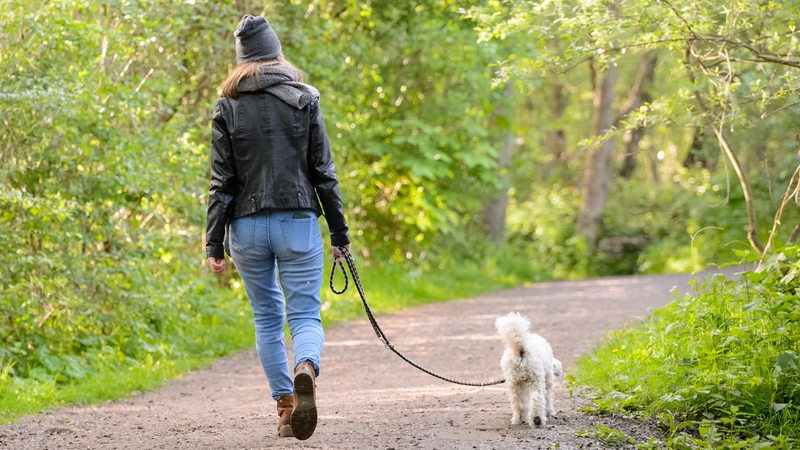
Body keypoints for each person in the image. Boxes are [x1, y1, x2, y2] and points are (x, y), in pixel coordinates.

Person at [205, 14, 350, 441]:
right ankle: (305, 365)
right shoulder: (304, 99)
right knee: (304, 312)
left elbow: (221, 182)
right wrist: (340, 233)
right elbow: (324, 172)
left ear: (241, 60)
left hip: (245, 228)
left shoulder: (226, 106)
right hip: (297, 221)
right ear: (276, 53)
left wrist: (214, 241)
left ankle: (286, 409)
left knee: (267, 319)